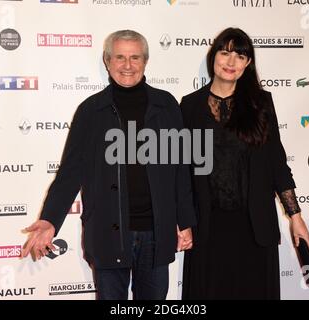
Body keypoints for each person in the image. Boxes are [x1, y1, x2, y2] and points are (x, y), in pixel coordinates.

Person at [21, 30, 196, 300]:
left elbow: (180, 170)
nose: (127, 65)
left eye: (135, 57)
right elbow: (70, 174)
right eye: (120, 57)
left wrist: (184, 220)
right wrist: (50, 219)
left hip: (156, 233)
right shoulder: (91, 111)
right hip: (108, 231)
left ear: (145, 61)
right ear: (107, 61)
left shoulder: (167, 105)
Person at [180, 27, 309, 300]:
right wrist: (181, 220)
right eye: (225, 53)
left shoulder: (260, 103)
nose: (231, 62)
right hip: (208, 227)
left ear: (248, 63)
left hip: (254, 227)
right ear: (213, 56)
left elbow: (276, 163)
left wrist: (295, 217)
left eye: (240, 56)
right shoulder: (190, 106)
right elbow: (181, 171)